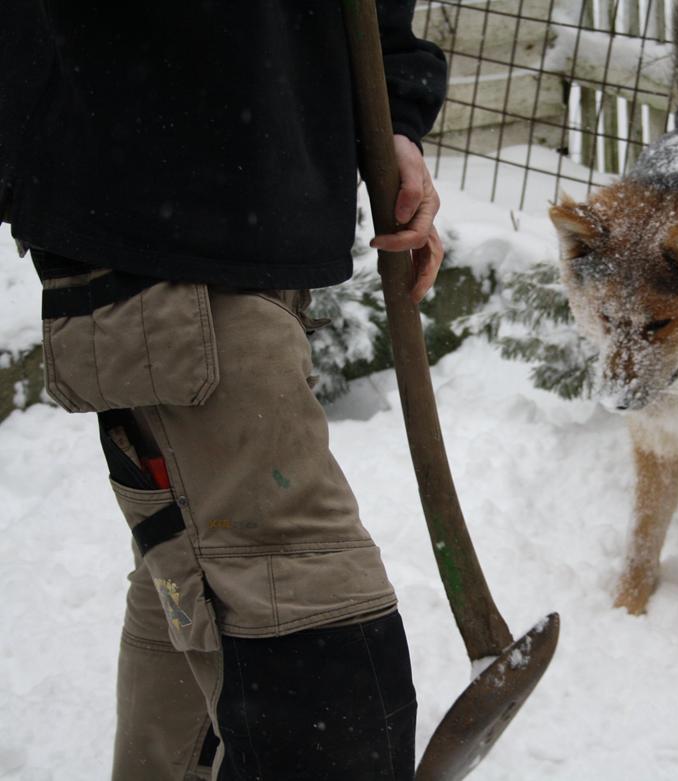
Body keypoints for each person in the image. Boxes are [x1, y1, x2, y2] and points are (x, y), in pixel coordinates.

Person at [1, 2, 447, 779]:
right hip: (139, 178)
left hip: (270, 197)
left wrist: (393, 118)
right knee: (296, 588)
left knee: (193, 562)